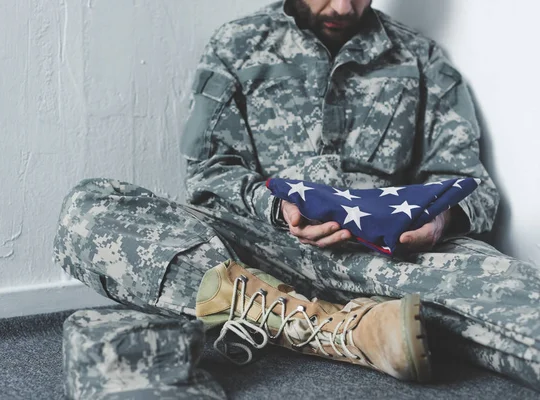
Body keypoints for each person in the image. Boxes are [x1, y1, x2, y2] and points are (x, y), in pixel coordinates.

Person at [53, 0, 540, 390]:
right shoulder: (235, 46)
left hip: (393, 256)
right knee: (90, 208)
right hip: (260, 245)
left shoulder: (421, 59)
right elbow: (208, 169)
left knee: (522, 301)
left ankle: (282, 321)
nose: (344, 8)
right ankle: (337, 330)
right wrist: (273, 207)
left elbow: (466, 179)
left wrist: (441, 222)